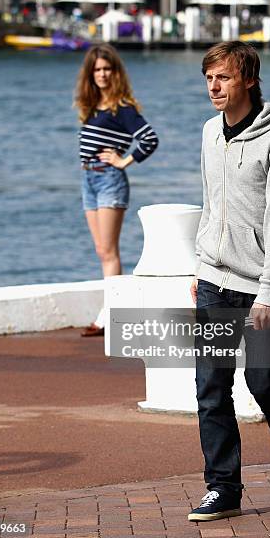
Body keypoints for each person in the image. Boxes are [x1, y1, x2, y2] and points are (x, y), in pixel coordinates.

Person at [188, 41, 270, 522]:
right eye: (209, 78)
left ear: (249, 80)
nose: (214, 88)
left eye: (224, 78)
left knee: (261, 380)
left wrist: (269, 290)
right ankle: (223, 487)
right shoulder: (208, 133)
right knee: (211, 387)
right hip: (216, 280)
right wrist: (201, 267)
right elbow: (210, 205)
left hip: (265, 285)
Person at [74, 44, 159, 336]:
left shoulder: (122, 108)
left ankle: (109, 315)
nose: (102, 74)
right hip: (89, 180)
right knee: (101, 250)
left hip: (110, 179)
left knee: (109, 251)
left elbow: (149, 139)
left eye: (107, 69)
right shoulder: (91, 107)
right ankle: (112, 311)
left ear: (115, 72)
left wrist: (124, 160)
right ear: (90, 73)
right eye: (97, 69)